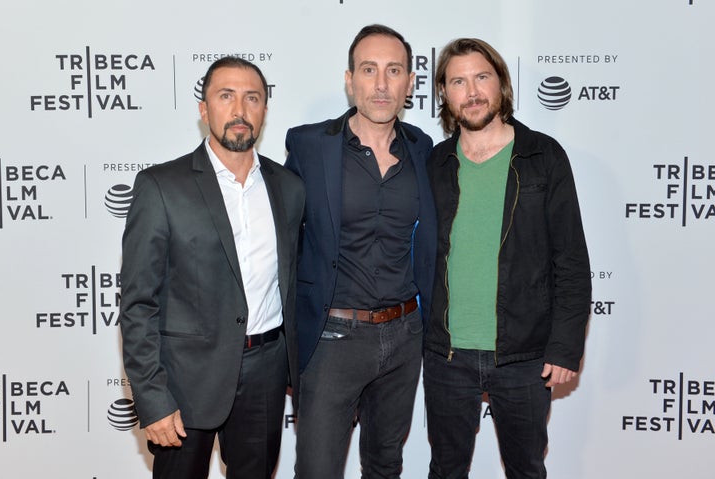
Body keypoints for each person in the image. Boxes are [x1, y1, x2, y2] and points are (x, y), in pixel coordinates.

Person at [119, 56, 305, 479]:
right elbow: (137, 305)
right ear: (204, 110)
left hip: (266, 373)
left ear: (264, 110)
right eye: (226, 96)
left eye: (252, 98)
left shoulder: (289, 188)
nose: (239, 110)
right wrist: (153, 398)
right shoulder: (161, 187)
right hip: (185, 381)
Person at [423, 38, 592, 479]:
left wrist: (565, 345)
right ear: (444, 93)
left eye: (482, 77)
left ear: (501, 83)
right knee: (445, 470)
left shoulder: (543, 156)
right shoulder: (435, 163)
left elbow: (571, 260)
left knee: (526, 470)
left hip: (525, 357)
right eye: (458, 81)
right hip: (446, 354)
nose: (472, 91)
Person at [284, 24, 437, 479]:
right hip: (333, 337)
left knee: (386, 465)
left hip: (405, 335)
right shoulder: (309, 146)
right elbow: (286, 241)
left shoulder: (424, 149)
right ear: (350, 80)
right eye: (369, 70)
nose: (382, 83)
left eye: (394, 71)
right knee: (317, 470)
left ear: (410, 83)